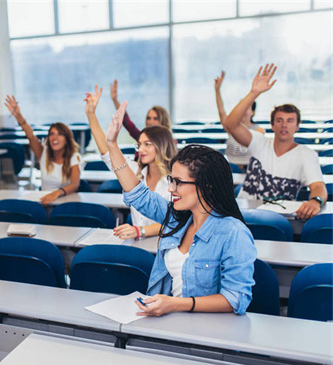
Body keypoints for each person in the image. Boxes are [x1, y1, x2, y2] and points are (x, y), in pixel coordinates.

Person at [106, 102, 256, 316]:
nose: (171, 188)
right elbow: (138, 195)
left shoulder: (234, 233)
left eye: (179, 182)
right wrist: (112, 143)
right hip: (168, 321)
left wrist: (176, 304)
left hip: (206, 332)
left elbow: (236, 298)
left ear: (206, 186)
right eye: (171, 180)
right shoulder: (178, 219)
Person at [223, 64, 327, 220]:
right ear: (272, 125)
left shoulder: (306, 154)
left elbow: (318, 186)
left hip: (279, 217)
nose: (284, 125)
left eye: (290, 121)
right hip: (243, 214)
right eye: (279, 120)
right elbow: (230, 124)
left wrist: (316, 200)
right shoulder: (258, 141)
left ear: (297, 126)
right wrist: (254, 92)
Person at [84, 85, 177, 240]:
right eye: (139, 144)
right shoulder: (135, 170)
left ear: (162, 146)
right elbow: (107, 152)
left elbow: (178, 219)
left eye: (147, 144)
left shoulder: (176, 179)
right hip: (138, 243)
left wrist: (140, 230)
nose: (141, 149)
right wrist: (91, 114)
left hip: (167, 244)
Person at [4, 95, 82, 204]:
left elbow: (74, 185)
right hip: (45, 200)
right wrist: (18, 116)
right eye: (51, 134)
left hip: (66, 201)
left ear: (67, 139)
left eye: (60, 134)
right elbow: (31, 135)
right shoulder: (43, 153)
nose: (54, 138)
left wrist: (57, 193)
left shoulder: (74, 157)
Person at [214, 70, 265, 167]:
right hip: (231, 169)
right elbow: (221, 111)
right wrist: (217, 90)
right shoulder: (231, 127)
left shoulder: (259, 130)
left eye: (247, 108)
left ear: (253, 112)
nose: (244, 112)